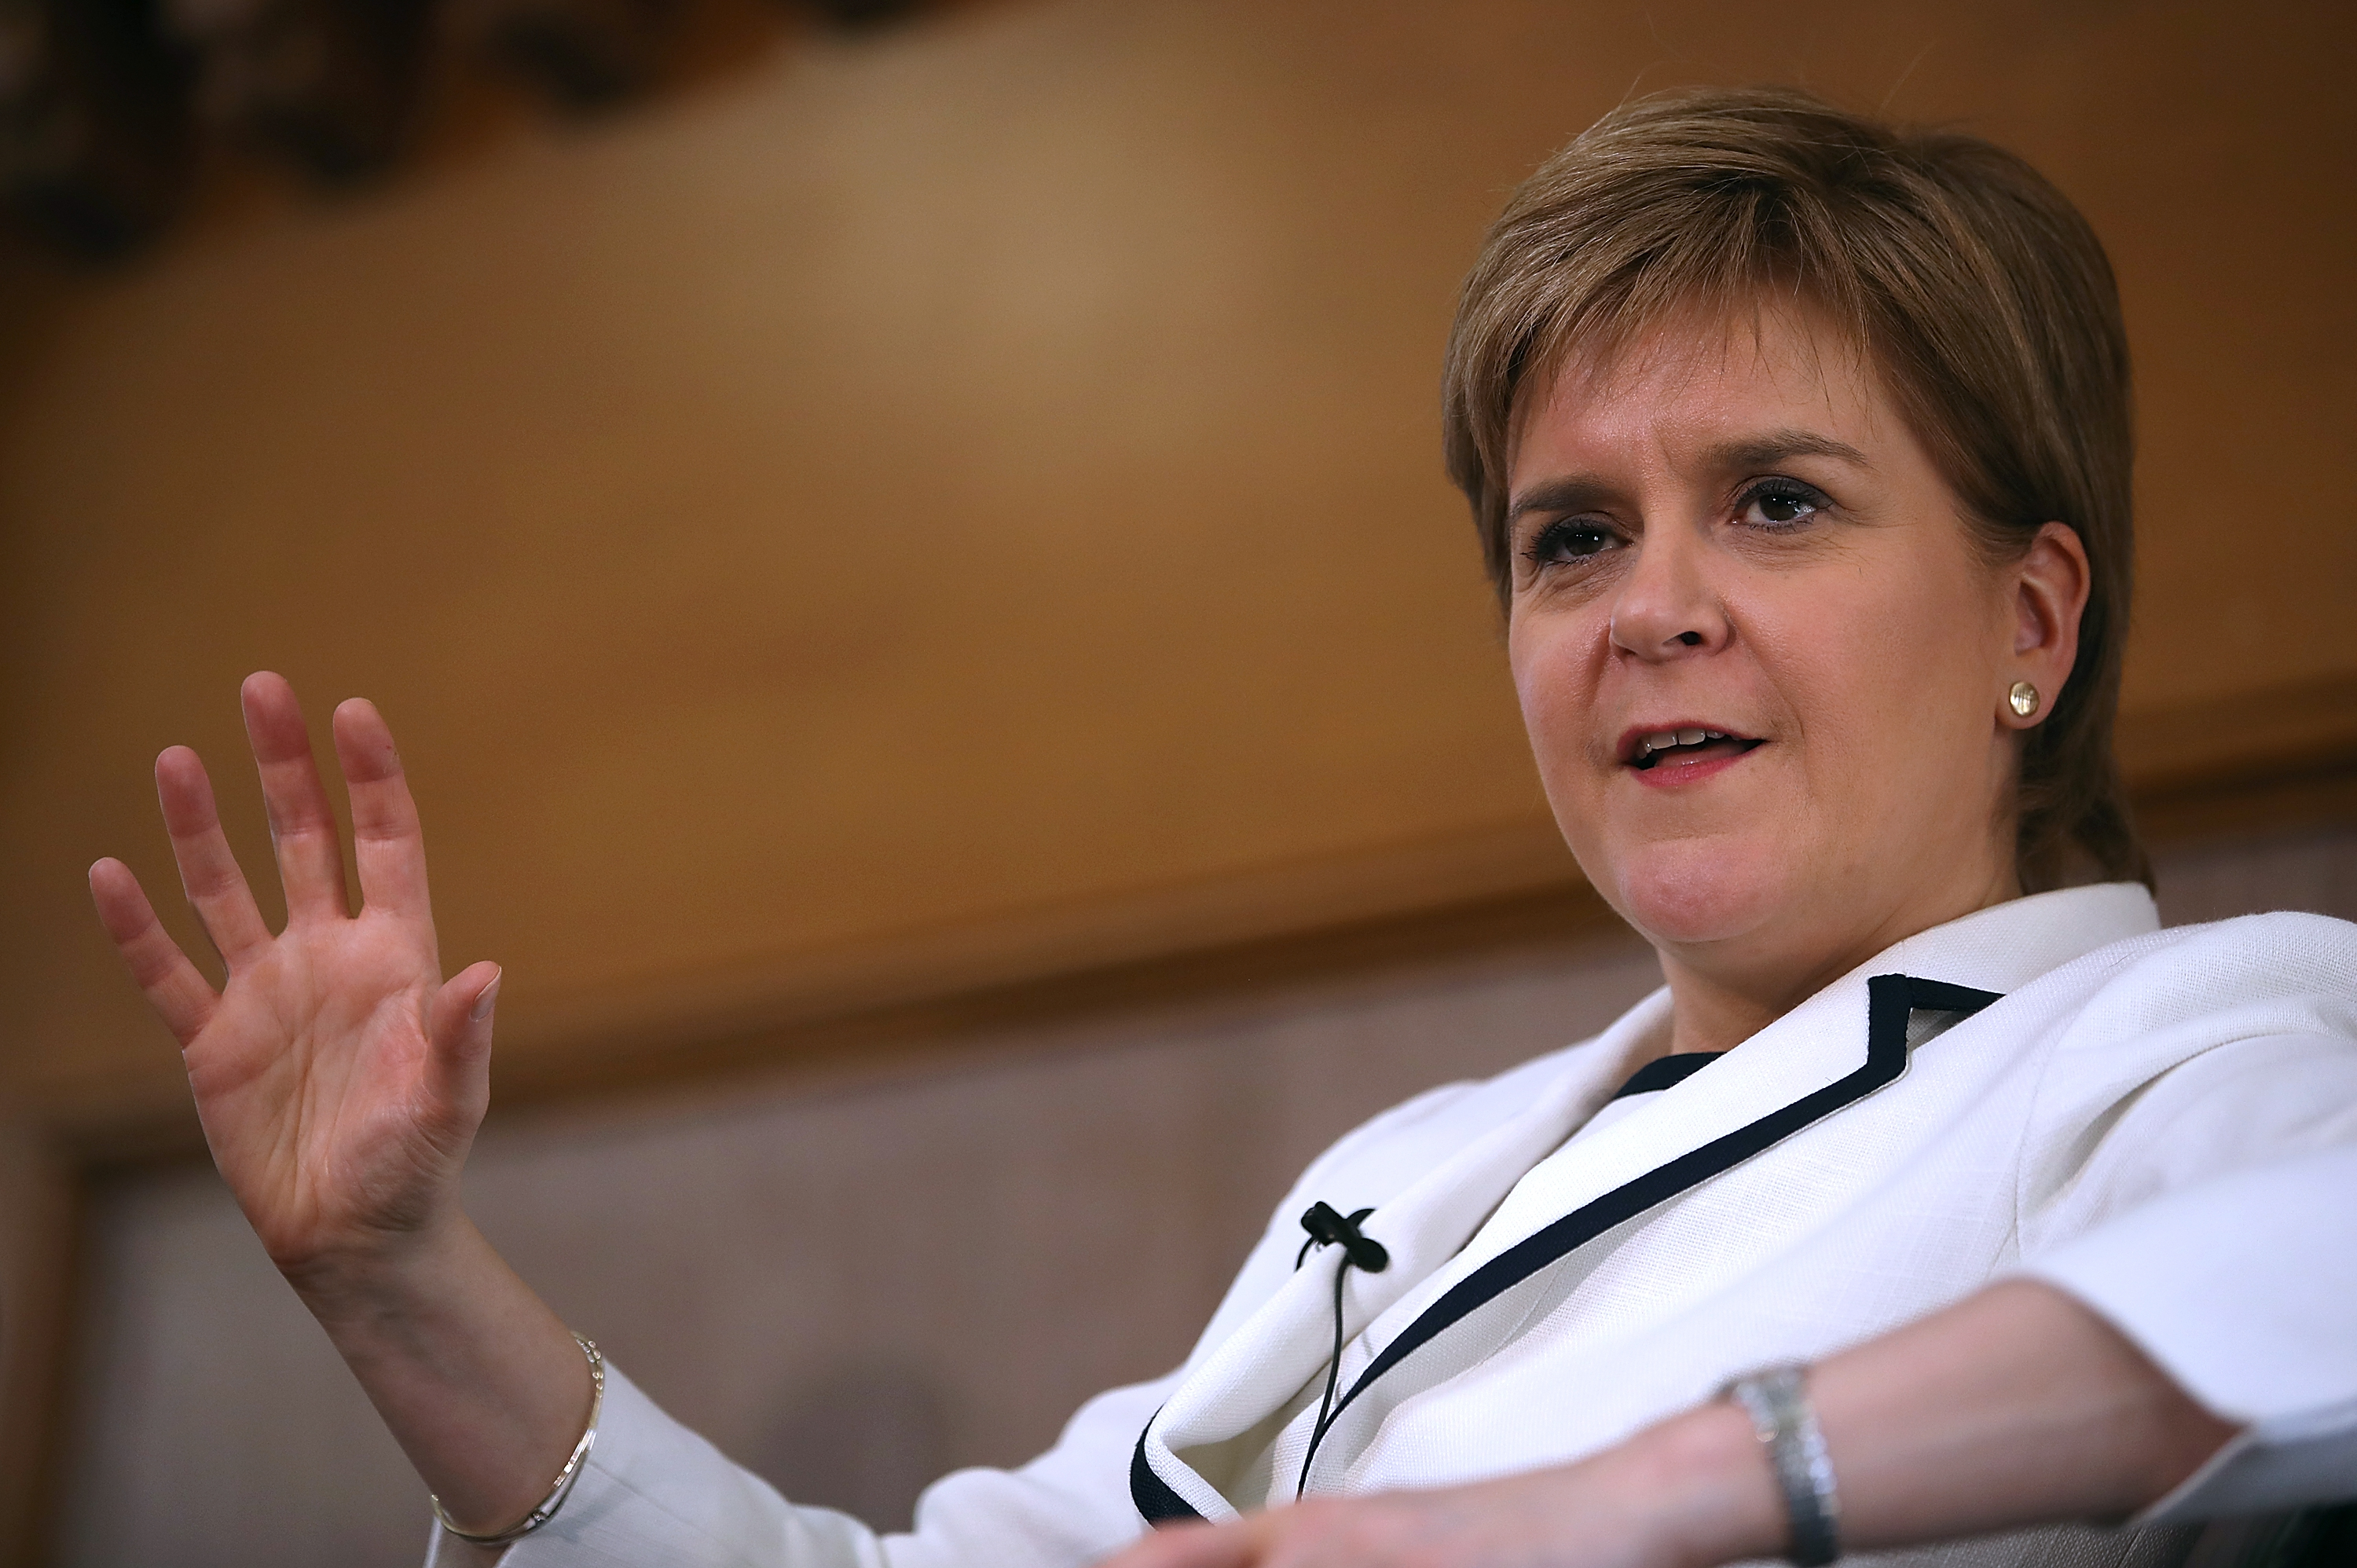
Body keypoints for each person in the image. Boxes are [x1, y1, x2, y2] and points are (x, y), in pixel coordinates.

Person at [88, 87, 2357, 1568]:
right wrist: (395, 1275)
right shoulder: (1405, 1174)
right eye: (1571, 539)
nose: (1650, 609)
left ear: (2028, 619)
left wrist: (1654, 1495)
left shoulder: (2198, 1037)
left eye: (1775, 501)